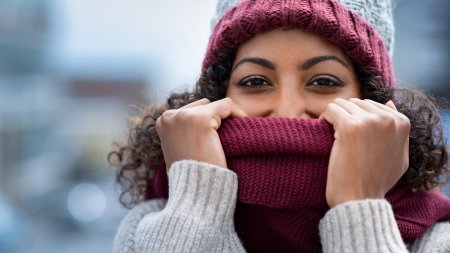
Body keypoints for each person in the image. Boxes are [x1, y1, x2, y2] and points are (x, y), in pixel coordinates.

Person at [109, 0, 450, 252]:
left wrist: (359, 206)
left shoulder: (435, 240)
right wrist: (197, 201)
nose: (287, 111)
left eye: (324, 81)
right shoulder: (146, 229)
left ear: (372, 101)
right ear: (216, 96)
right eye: (256, 81)